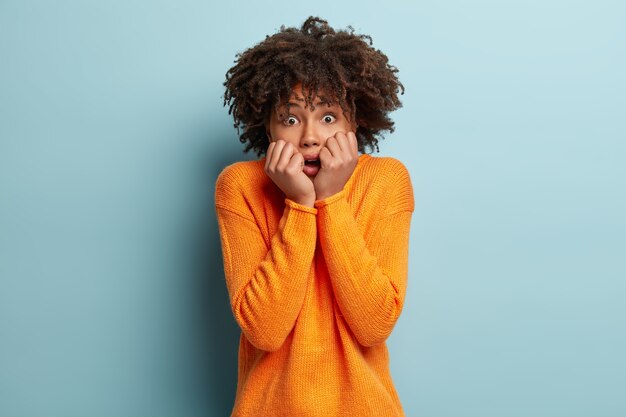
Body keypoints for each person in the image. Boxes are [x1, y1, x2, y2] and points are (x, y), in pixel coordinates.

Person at [215, 16, 414, 417]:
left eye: (328, 117)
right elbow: (265, 331)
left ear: (354, 122)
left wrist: (331, 198)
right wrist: (301, 206)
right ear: (266, 127)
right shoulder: (239, 186)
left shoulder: (386, 181)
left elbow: (373, 326)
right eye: (290, 119)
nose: (309, 136)